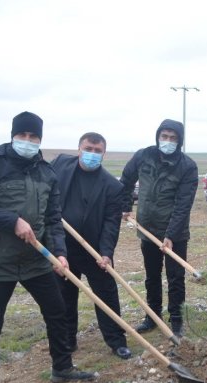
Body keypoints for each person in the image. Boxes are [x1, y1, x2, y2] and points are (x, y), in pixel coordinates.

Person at [0, 111, 95, 383]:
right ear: (13, 135)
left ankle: (62, 367)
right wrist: (12, 221)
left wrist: (59, 252)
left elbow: (53, 218)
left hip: (35, 260)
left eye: (34, 137)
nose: (28, 141)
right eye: (23, 135)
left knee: (57, 311)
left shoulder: (46, 173)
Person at [51, 132, 131, 360]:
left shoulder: (112, 186)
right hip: (63, 246)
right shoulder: (59, 166)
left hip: (94, 249)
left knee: (106, 294)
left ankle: (116, 340)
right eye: (88, 149)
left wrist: (106, 253)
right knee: (64, 294)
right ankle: (67, 339)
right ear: (79, 149)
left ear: (104, 153)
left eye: (97, 151)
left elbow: (111, 223)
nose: (92, 154)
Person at [119, 120, 198, 337]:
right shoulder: (144, 156)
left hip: (176, 233)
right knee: (152, 275)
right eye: (165, 136)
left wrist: (171, 235)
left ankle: (177, 320)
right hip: (147, 229)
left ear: (179, 141)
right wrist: (125, 206)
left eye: (173, 138)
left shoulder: (187, 166)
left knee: (175, 277)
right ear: (158, 136)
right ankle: (152, 317)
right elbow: (125, 180)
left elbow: (184, 204)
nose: (168, 141)